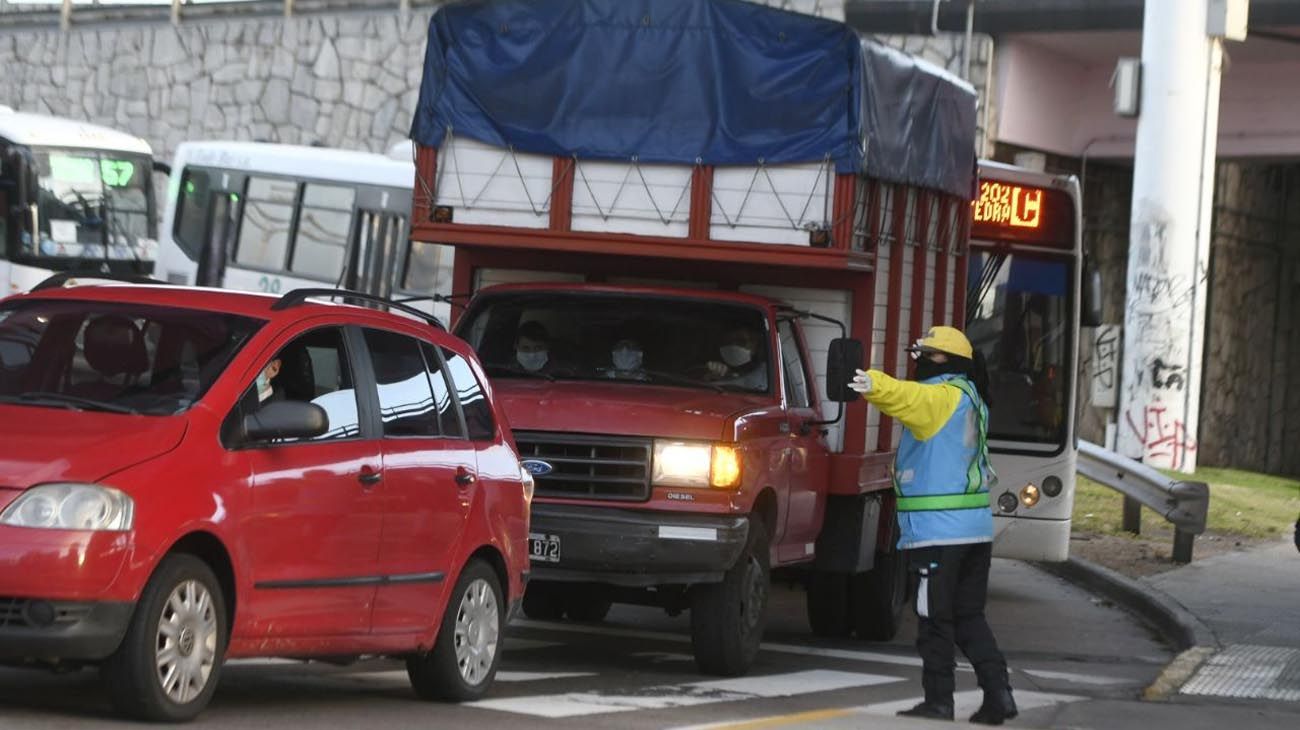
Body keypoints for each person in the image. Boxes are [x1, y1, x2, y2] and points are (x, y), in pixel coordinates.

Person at [848, 325, 1016, 726]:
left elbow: (909, 397)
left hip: (939, 534)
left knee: (934, 618)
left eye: (923, 355)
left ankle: (939, 700)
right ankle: (999, 694)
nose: (917, 362)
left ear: (942, 360)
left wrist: (874, 383)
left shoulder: (943, 397)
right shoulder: (971, 396)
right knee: (968, 617)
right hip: (974, 530)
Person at [704, 325, 767, 390]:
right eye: (729, 341)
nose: (734, 345)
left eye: (741, 341)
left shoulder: (767, 374)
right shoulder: (713, 369)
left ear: (755, 344)